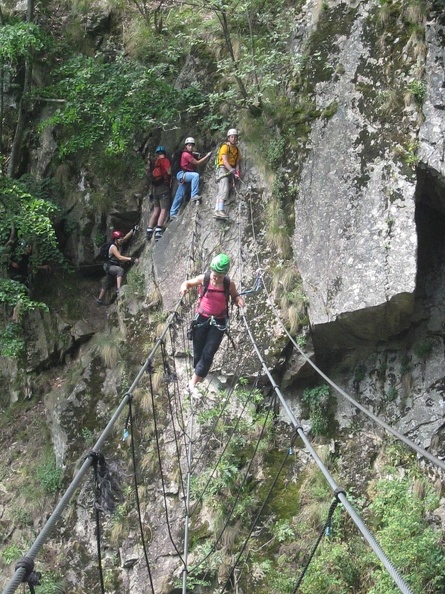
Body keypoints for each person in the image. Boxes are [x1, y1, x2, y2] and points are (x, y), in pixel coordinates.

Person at [179, 253, 244, 389]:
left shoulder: (229, 284)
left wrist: (238, 300)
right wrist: (184, 287)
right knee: (198, 352)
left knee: (209, 352)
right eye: (215, 275)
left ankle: (192, 384)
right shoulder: (205, 279)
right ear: (211, 271)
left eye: (220, 276)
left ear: (225, 275)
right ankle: (199, 375)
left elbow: (235, 295)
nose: (216, 278)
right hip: (202, 319)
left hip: (218, 322)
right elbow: (188, 283)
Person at [169, 137, 212, 220]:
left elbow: (194, 156)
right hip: (183, 174)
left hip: (183, 175)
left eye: (192, 146)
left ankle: (172, 213)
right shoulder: (186, 154)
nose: (191, 147)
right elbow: (197, 163)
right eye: (189, 145)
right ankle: (194, 195)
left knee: (179, 194)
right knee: (195, 175)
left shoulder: (189, 153)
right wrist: (207, 156)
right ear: (186, 146)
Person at [96, 228, 139, 305]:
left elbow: (126, 238)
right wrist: (131, 259)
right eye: (120, 239)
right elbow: (120, 257)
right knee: (120, 270)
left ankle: (99, 299)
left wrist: (133, 230)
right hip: (109, 266)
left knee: (107, 281)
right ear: (116, 239)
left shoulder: (119, 242)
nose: (121, 240)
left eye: (121, 238)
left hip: (111, 265)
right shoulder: (113, 247)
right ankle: (119, 290)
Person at [214, 128, 241, 220]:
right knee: (224, 188)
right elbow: (224, 161)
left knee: (224, 188)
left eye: (235, 137)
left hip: (230, 170)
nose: (233, 139)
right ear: (229, 138)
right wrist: (232, 170)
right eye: (232, 137)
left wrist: (237, 172)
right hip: (223, 169)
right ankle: (219, 210)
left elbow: (237, 163)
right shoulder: (225, 147)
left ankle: (217, 210)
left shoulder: (237, 150)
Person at [146, 145, 171, 242]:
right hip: (163, 188)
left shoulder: (154, 163)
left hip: (154, 189)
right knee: (164, 210)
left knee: (156, 210)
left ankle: (149, 231)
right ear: (164, 153)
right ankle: (158, 231)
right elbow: (169, 172)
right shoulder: (164, 161)